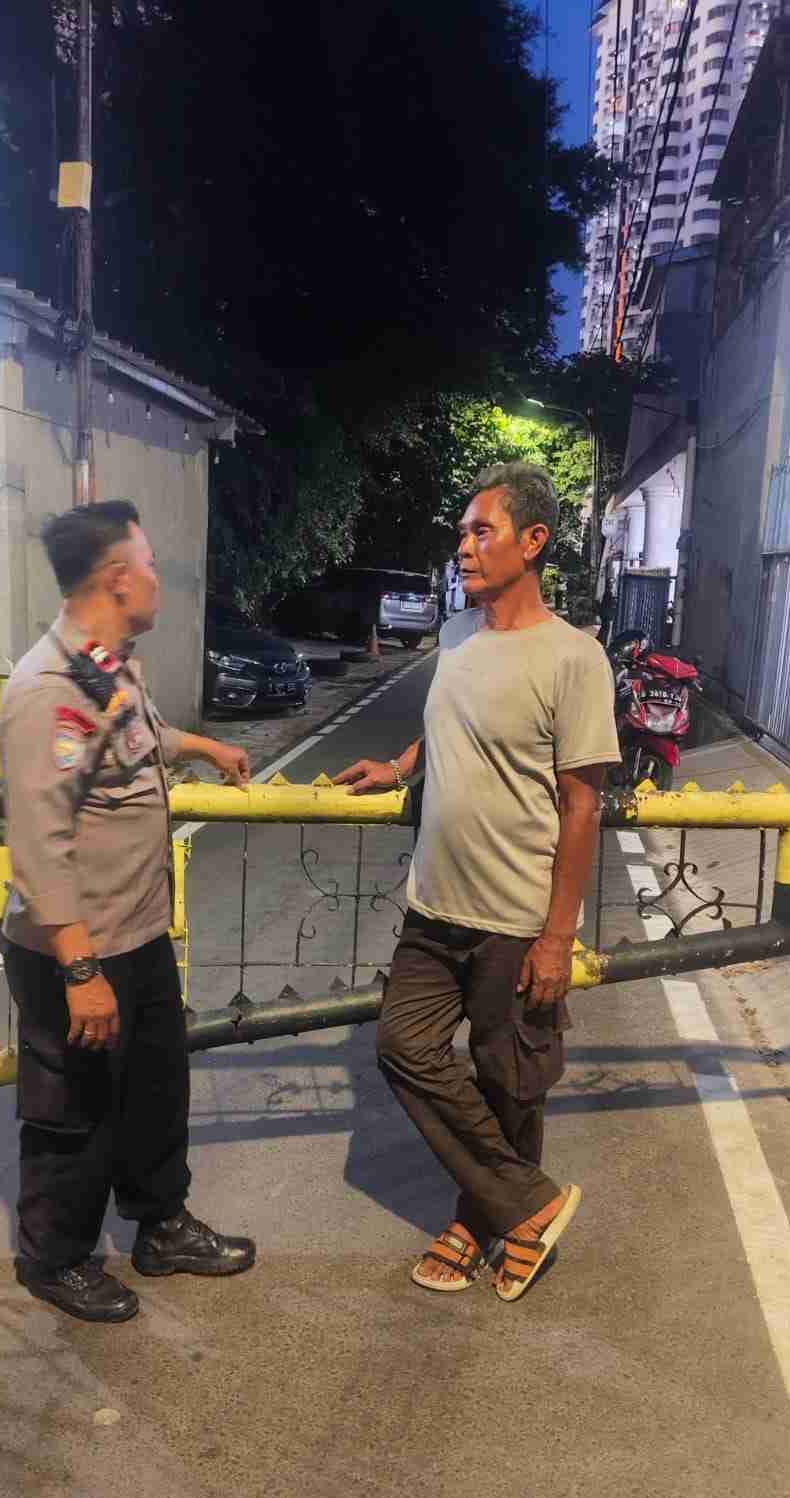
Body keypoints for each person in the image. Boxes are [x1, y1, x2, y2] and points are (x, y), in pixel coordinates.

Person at [334, 462, 619, 1303]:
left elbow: (581, 804)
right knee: (403, 1046)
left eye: (480, 531)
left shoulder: (574, 658)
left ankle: (477, 1221)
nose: (463, 546)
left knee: (510, 1081)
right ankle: (529, 1204)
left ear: (532, 542)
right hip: (434, 905)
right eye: (461, 532)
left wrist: (557, 936)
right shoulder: (457, 634)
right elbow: (448, 726)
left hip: (515, 916)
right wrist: (400, 767)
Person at [0, 499, 256, 1324]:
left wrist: (205, 747)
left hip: (137, 931)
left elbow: (139, 739)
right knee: (73, 1112)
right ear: (115, 578)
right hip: (78, 946)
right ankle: (54, 1258)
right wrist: (80, 972)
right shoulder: (46, 691)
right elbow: (38, 843)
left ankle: (161, 1225)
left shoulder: (105, 666)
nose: (157, 579)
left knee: (153, 1091)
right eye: (148, 564)